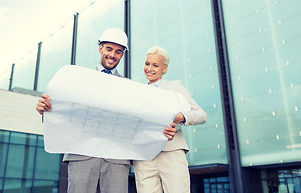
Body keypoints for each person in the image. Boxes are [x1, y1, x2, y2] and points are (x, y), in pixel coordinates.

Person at [36, 29, 177, 193]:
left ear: (122, 55)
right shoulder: (78, 80)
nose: (113, 55)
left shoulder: (129, 88)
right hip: (82, 154)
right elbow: (65, 110)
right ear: (100, 49)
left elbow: (139, 120)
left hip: (116, 159)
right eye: (109, 49)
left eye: (118, 52)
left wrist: (161, 130)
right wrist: (46, 110)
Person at [133, 46, 207, 193]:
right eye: (147, 64)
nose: (150, 68)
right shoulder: (137, 92)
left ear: (164, 68)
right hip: (144, 157)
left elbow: (201, 115)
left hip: (171, 152)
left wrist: (181, 117)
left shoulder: (175, 87)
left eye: (155, 65)